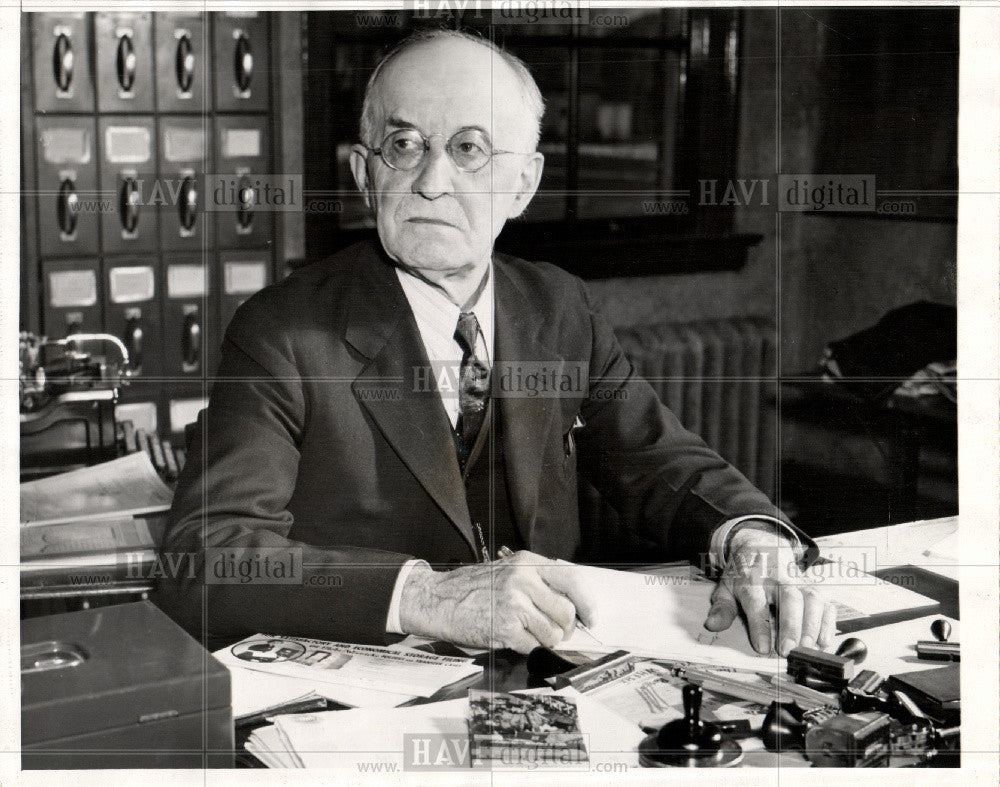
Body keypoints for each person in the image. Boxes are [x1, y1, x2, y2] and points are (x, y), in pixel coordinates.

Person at [160, 29, 835, 656]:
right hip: (364, 699)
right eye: (403, 146)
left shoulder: (559, 306)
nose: (431, 182)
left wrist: (751, 535)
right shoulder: (282, 330)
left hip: (542, 676)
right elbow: (207, 558)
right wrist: (426, 595)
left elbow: (659, 460)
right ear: (366, 177)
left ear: (524, 183)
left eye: (469, 148)